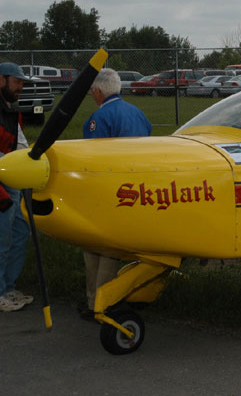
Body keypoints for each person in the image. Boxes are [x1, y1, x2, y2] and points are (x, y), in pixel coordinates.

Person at [80, 68, 152, 319]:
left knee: (97, 249)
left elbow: (91, 161)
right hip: (137, 191)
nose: (92, 95)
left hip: (109, 192)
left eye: (92, 91)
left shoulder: (98, 119)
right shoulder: (138, 114)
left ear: (98, 91)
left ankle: (98, 302)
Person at [0, 63, 34, 312]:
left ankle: (8, 287)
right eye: (17, 82)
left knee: (21, 233)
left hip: (17, 180)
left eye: (22, 83)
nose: (21, 87)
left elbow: (20, 145)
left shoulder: (12, 111)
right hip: (3, 183)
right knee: (2, 238)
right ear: (1, 80)